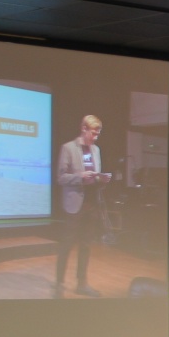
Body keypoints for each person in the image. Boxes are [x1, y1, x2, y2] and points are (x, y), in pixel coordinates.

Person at [55, 114, 111, 297]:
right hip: (74, 204)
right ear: (83, 129)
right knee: (67, 243)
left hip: (92, 204)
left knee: (86, 244)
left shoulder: (96, 150)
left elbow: (95, 177)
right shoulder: (68, 148)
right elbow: (61, 177)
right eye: (93, 133)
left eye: (98, 134)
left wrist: (102, 179)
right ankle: (59, 280)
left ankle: (82, 283)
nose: (95, 137)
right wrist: (80, 176)